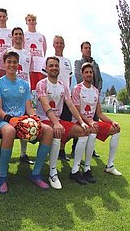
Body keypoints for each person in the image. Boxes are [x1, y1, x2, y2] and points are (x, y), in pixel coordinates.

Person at [0, 51, 53, 194]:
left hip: (22, 120)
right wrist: (9, 119)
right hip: (3, 120)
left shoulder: (24, 84)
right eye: (9, 62)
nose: (12, 64)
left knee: (48, 130)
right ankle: (2, 178)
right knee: (9, 131)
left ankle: (36, 174)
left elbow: (29, 107)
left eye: (14, 62)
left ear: (18, 65)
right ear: (4, 64)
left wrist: (34, 117)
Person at [36, 56, 89, 189]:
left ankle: (75, 171)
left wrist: (81, 122)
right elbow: (45, 105)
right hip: (44, 121)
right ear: (46, 68)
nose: (54, 68)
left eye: (56, 66)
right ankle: (52, 173)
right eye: (51, 65)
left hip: (57, 121)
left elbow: (70, 105)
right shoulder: (41, 84)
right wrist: (56, 123)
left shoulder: (63, 86)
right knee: (57, 132)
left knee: (83, 132)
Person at [72, 62, 122, 180]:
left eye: (90, 72)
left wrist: (111, 121)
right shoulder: (77, 89)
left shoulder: (95, 91)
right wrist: (89, 122)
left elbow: (99, 113)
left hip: (92, 123)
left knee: (116, 129)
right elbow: (77, 112)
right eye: (86, 72)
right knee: (92, 131)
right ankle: (85, 169)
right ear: (82, 74)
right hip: (79, 122)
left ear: (93, 74)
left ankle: (110, 165)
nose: (89, 74)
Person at [41, 35, 73, 161]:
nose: (59, 45)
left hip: (64, 97)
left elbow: (69, 80)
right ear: (53, 45)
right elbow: (43, 78)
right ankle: (50, 149)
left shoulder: (67, 61)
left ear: (64, 45)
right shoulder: (48, 60)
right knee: (52, 124)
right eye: (57, 43)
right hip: (51, 97)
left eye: (61, 43)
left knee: (65, 123)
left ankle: (61, 150)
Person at [7, 27, 33, 164]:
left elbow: (31, 72)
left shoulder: (28, 53)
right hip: (10, 88)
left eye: (20, 34)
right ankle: (3, 155)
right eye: (15, 34)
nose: (18, 36)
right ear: (12, 37)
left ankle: (23, 153)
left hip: (24, 88)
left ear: (23, 37)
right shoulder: (8, 52)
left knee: (25, 118)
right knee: (8, 121)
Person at [73, 41, 103, 158]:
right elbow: (79, 76)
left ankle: (91, 149)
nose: (88, 50)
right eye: (85, 48)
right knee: (81, 123)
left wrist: (96, 91)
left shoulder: (95, 64)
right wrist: (87, 89)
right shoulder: (78, 63)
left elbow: (99, 79)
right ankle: (76, 147)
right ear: (81, 50)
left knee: (94, 123)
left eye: (89, 48)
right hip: (83, 97)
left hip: (94, 99)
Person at [24, 13, 47, 90]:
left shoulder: (41, 36)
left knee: (41, 88)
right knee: (32, 88)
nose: (31, 22)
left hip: (40, 66)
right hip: (30, 67)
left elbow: (44, 49)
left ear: (36, 22)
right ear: (26, 22)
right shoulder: (24, 35)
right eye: (29, 20)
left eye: (33, 20)